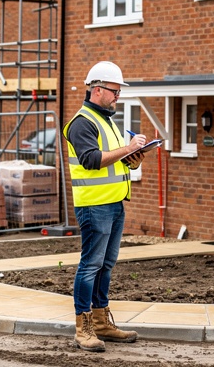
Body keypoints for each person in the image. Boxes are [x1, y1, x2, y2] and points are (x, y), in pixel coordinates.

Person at [63, 61, 146, 352]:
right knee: (90, 266)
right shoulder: (82, 122)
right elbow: (91, 160)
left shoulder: (107, 121)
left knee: (106, 265)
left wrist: (132, 159)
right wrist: (128, 148)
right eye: (114, 90)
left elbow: (112, 159)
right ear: (97, 90)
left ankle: (100, 322)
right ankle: (83, 328)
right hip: (94, 206)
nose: (118, 96)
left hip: (113, 203)